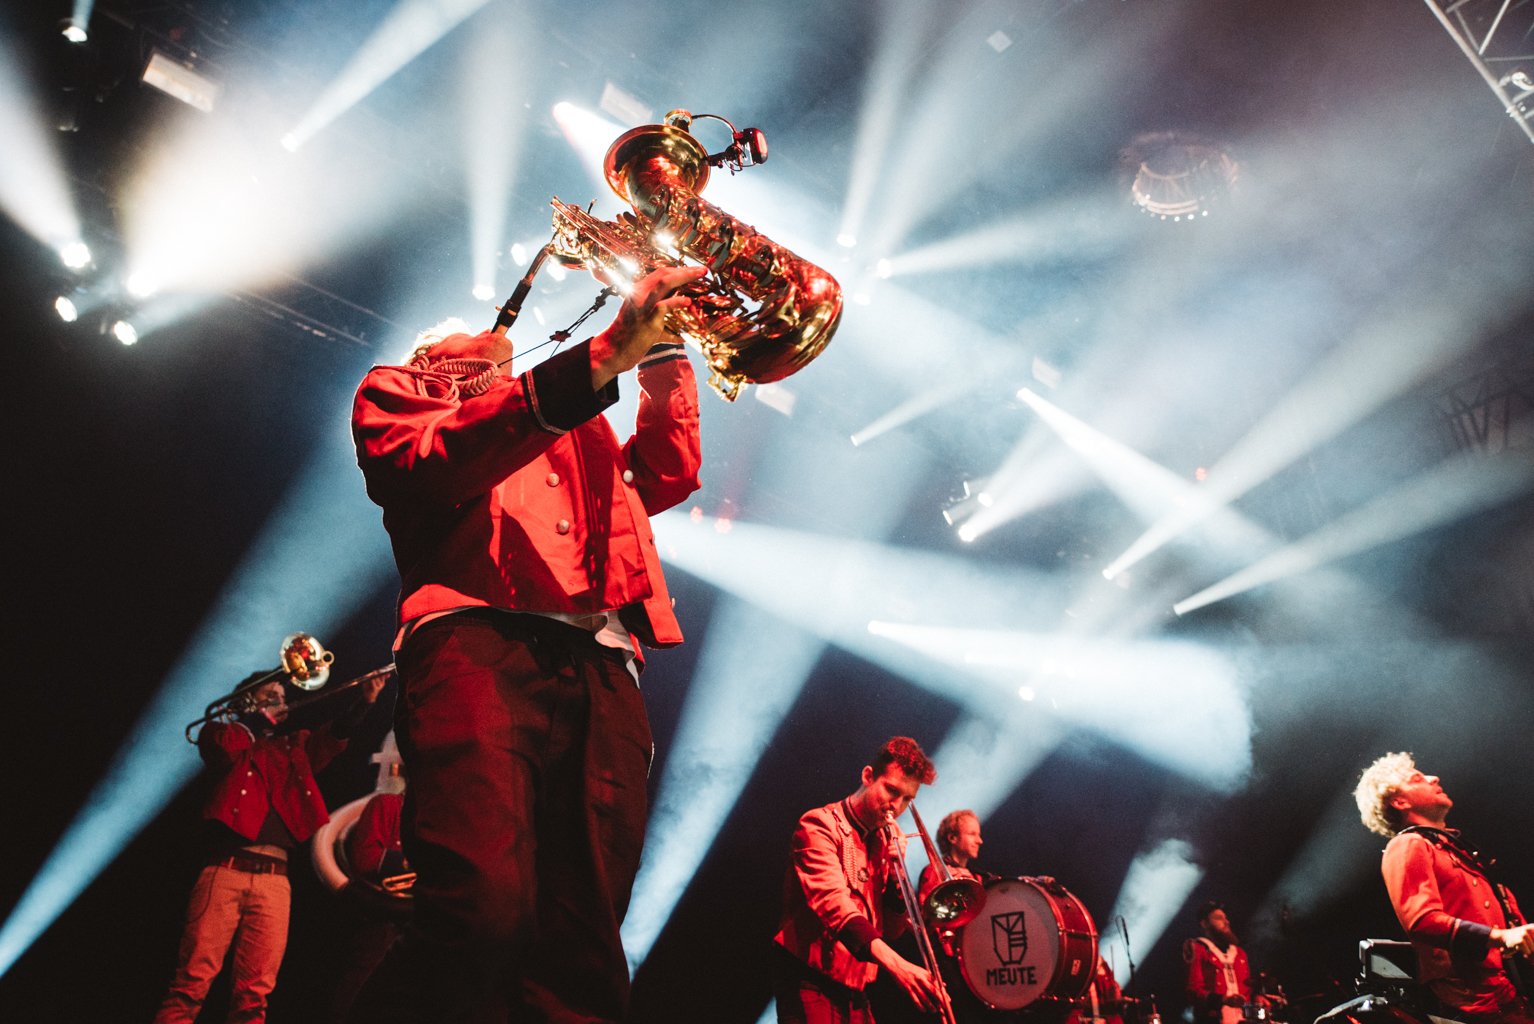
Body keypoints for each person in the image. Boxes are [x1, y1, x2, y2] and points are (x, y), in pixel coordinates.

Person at [347, 265, 706, 1023]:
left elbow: (669, 472)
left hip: (603, 661)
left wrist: (665, 351)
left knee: (585, 946)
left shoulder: (574, 417)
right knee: (478, 911)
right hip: (477, 640)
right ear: (431, 358)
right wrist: (600, 356)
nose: (493, 342)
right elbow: (433, 459)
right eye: (465, 344)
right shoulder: (399, 391)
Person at [155, 670, 387, 1024]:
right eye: (272, 694)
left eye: (282, 695)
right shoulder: (222, 734)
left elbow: (334, 736)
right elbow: (224, 748)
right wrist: (255, 717)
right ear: (247, 702)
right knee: (191, 984)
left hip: (275, 881)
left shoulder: (293, 747)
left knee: (254, 995)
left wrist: (365, 701)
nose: (282, 700)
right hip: (225, 871)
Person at [774, 736, 947, 1024]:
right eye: (891, 790)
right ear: (868, 776)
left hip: (855, 986)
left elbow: (893, 930)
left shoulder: (880, 841)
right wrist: (899, 966)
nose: (896, 806)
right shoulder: (819, 825)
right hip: (810, 979)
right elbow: (834, 905)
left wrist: (896, 873)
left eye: (907, 799)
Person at [1355, 753, 1534, 1023]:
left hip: (1507, 996)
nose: (1433, 778)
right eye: (1417, 778)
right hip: (1473, 1004)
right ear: (1400, 802)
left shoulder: (1455, 850)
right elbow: (1422, 920)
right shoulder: (1407, 844)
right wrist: (1502, 937)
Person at [1184, 902, 1274, 1024]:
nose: (1226, 922)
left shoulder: (1240, 954)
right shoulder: (1198, 949)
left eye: (1226, 918)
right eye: (1219, 918)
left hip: (1243, 1020)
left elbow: (1246, 991)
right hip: (1213, 1019)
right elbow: (1192, 991)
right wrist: (1221, 999)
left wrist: (1256, 997)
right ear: (1205, 924)